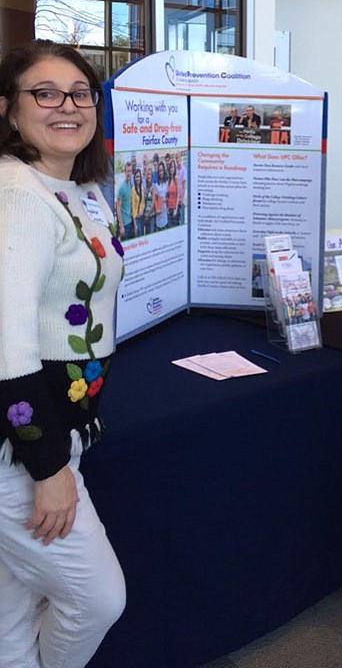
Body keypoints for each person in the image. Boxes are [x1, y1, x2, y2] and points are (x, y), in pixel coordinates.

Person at [0, 40, 126, 667]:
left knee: (12, 606)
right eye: (44, 93)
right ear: (9, 110)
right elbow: (7, 351)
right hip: (21, 450)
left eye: (80, 93)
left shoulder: (72, 188)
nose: (67, 106)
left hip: (57, 427)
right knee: (98, 598)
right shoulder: (19, 196)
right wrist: (49, 469)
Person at [115, 160, 133, 240]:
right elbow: (118, 208)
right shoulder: (121, 188)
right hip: (124, 225)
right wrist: (121, 226)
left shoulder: (130, 184)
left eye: (130, 171)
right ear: (124, 172)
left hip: (130, 222)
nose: (129, 173)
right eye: (127, 171)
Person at [154, 160, 168, 230]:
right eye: (159, 171)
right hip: (159, 212)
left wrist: (165, 199)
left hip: (165, 210)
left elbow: (168, 195)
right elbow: (155, 199)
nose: (161, 172)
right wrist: (157, 209)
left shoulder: (166, 182)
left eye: (162, 170)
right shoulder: (156, 185)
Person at [131, 166, 145, 237]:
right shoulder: (133, 190)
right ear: (134, 178)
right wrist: (135, 224)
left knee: (142, 236)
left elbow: (143, 202)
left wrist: (141, 211)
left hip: (141, 217)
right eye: (136, 177)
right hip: (136, 219)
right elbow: (133, 207)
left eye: (139, 176)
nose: (138, 178)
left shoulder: (142, 188)